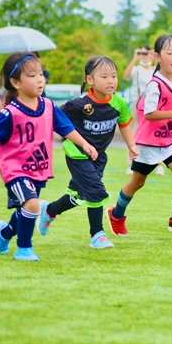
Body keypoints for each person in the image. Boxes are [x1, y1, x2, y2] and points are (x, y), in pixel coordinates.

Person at [0, 52, 97, 261]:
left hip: (39, 169)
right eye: (32, 75)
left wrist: (84, 144)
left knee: (26, 208)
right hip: (14, 170)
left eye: (41, 74)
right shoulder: (10, 113)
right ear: (15, 82)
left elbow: (66, 128)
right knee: (32, 205)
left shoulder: (49, 106)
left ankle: (4, 232)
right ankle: (24, 248)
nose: (40, 79)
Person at [38, 57, 138, 249]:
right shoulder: (77, 105)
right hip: (77, 154)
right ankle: (97, 235)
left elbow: (124, 125)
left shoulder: (119, 103)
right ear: (90, 80)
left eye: (114, 76)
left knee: (78, 196)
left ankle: (49, 210)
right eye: (105, 76)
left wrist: (131, 146)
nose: (111, 81)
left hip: (98, 157)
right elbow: (55, 120)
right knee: (96, 192)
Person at [107, 35, 172, 236]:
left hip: (169, 138)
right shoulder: (155, 84)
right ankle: (117, 214)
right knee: (137, 182)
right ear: (157, 57)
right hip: (148, 142)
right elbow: (149, 113)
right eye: (170, 53)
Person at [123, 45, 161, 175]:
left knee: (155, 132)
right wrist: (135, 57)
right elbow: (126, 76)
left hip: (154, 104)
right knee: (134, 133)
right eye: (142, 53)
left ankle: (158, 164)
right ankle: (131, 163)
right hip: (137, 102)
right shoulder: (136, 69)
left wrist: (155, 57)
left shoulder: (156, 68)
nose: (145, 56)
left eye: (147, 53)